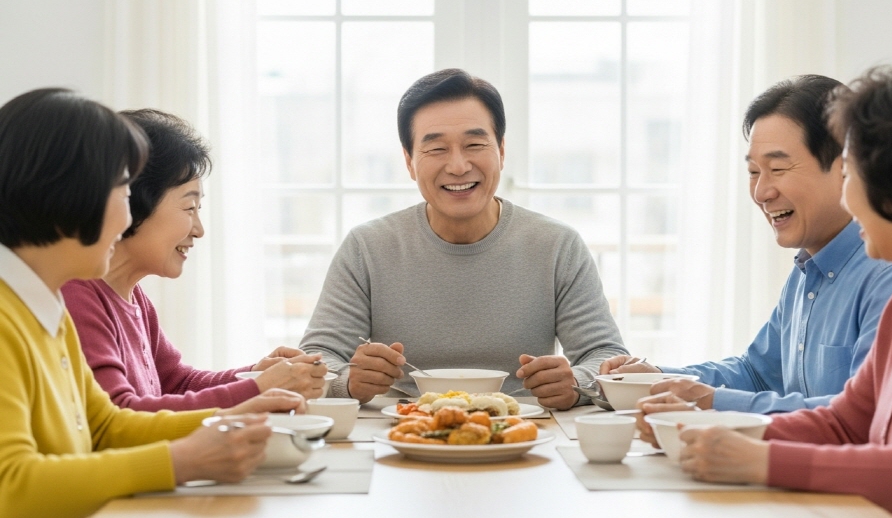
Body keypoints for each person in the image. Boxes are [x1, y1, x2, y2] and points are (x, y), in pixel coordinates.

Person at [665, 65, 892, 517]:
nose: (847, 196)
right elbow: (844, 422)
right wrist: (710, 429)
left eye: (851, 174)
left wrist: (761, 459)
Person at [0, 89, 302, 518]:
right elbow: (10, 486)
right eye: (124, 195)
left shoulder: (44, 307)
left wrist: (234, 412)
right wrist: (182, 461)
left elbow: (105, 424)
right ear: (69, 194)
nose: (128, 218)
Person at [300, 68, 628, 409]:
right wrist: (348, 383)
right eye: (436, 148)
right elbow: (316, 358)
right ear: (409, 161)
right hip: (402, 432)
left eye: (474, 144)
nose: (458, 166)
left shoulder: (557, 245)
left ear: (501, 151)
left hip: (525, 434)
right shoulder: (367, 247)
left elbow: (606, 356)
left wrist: (576, 383)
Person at [601, 75, 892, 414]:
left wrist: (712, 401)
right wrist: (658, 378)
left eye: (777, 168)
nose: (762, 193)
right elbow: (757, 374)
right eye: (753, 172)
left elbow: (865, 414)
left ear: (846, 167)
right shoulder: (807, 269)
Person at [62, 109, 327, 412]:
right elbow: (122, 414)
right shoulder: (77, 296)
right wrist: (258, 389)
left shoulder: (134, 298)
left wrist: (258, 375)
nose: (199, 231)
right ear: (134, 202)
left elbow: (176, 383)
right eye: (189, 208)